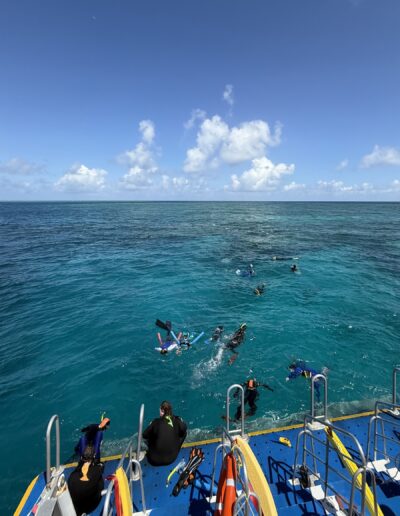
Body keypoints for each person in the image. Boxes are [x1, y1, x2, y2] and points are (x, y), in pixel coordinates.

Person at [143, 401, 187, 466]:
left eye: (160, 410)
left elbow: (144, 435)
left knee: (151, 435)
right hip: (172, 459)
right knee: (184, 433)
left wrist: (151, 426)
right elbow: (184, 429)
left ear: (162, 411)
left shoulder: (156, 422)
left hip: (153, 460)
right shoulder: (178, 420)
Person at [68, 445, 104, 515]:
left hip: (76, 507)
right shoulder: (96, 471)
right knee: (99, 479)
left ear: (81, 457)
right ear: (94, 456)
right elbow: (101, 467)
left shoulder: (72, 476)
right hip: (91, 505)